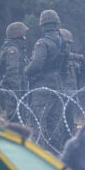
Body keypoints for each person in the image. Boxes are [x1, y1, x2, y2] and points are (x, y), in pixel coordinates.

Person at [25, 9, 68, 154]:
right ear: (57, 23)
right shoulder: (63, 41)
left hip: (43, 85)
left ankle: (39, 154)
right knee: (54, 123)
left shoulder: (42, 43)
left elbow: (37, 64)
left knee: (38, 122)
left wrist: (26, 71)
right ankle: (54, 154)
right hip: (58, 85)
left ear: (42, 25)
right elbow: (65, 64)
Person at [0, 22, 30, 122]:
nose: (25, 37)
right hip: (13, 91)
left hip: (16, 89)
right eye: (23, 35)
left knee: (18, 117)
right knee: (14, 119)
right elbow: (12, 72)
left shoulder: (17, 49)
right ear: (18, 35)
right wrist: (17, 93)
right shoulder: (13, 50)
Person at [59, 28, 85, 135]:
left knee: (69, 119)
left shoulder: (76, 59)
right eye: (66, 43)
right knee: (59, 120)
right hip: (60, 92)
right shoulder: (57, 57)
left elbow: (81, 76)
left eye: (69, 43)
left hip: (72, 92)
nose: (68, 46)